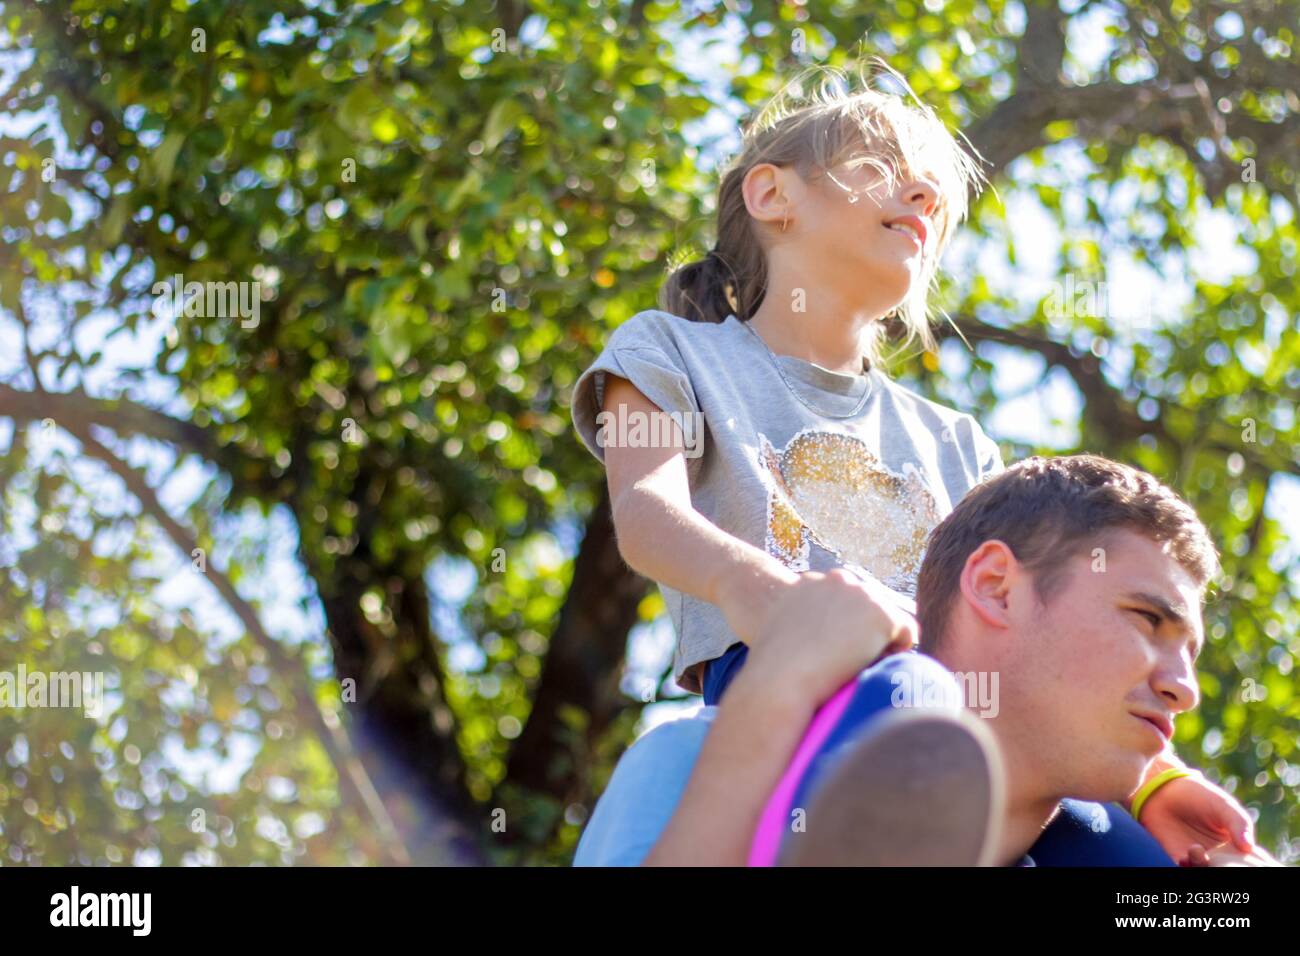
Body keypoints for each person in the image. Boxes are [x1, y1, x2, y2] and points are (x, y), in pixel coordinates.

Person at [570, 57, 1253, 863]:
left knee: (1145, 862)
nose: (923, 196)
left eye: (932, 189)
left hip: (972, 727)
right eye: (880, 169)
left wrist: (1153, 781)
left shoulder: (961, 441)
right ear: (771, 195)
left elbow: (1039, 644)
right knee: (915, 695)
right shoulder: (667, 351)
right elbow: (648, 516)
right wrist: (774, 599)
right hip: (801, 679)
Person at [575, 457, 1276, 866]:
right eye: (1148, 619)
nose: (1183, 688)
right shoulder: (697, 762)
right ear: (996, 587)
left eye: (1192, 654)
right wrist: (777, 685)